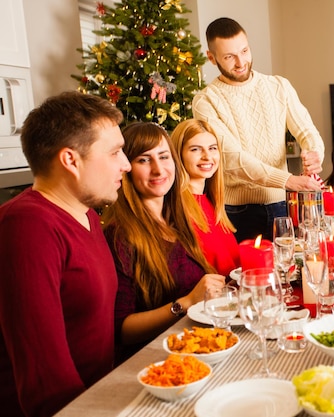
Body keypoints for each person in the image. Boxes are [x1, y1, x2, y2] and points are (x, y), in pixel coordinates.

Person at [0, 91, 131, 416]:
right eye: (115, 152)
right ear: (70, 160)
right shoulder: (26, 227)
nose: (125, 165)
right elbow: (44, 383)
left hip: (97, 399)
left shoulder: (86, 213)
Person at [192, 17, 325, 242]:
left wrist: (314, 153)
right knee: (242, 276)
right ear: (212, 58)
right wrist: (287, 180)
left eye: (244, 51)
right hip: (236, 212)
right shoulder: (205, 101)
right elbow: (232, 159)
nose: (240, 61)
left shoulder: (279, 86)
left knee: (288, 271)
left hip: (281, 206)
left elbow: (307, 131)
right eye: (229, 56)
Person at [102, 122, 225, 363]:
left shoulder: (177, 221)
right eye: (144, 160)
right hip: (154, 364)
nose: (159, 170)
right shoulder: (120, 235)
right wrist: (185, 303)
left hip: (194, 351)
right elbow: (121, 329)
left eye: (164, 156)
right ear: (126, 168)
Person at [170, 119, 240, 276]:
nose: (207, 156)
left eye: (212, 148)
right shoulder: (178, 207)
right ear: (178, 154)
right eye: (196, 149)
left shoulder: (211, 201)